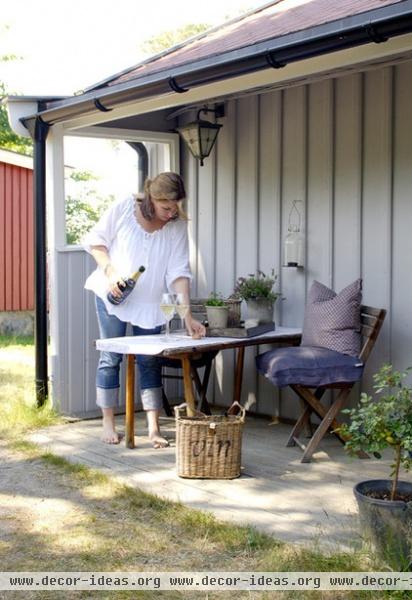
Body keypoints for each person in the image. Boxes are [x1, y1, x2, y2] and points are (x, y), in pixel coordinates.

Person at [83, 172, 205, 447]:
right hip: (112, 296)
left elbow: (179, 273)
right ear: (151, 197)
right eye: (166, 208)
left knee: (150, 360)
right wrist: (111, 272)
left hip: (150, 304)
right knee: (111, 358)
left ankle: (153, 428)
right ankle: (108, 423)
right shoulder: (125, 208)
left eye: (175, 208)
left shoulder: (175, 226)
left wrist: (187, 315)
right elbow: (97, 242)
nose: (171, 213)